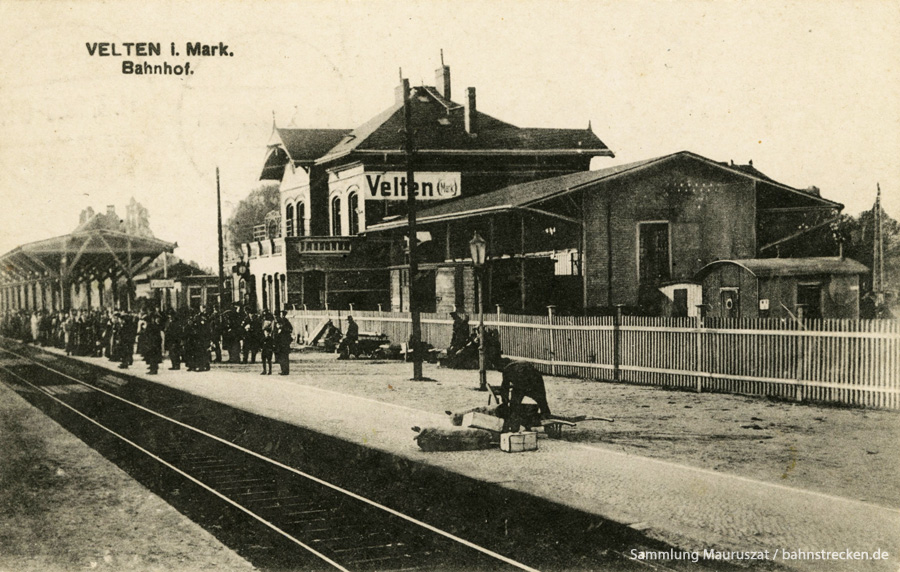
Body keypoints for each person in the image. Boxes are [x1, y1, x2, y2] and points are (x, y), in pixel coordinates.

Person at [499, 360, 552, 433]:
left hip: (527, 380)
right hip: (535, 378)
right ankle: (549, 425)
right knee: (542, 402)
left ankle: (514, 427)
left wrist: (505, 402)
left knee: (514, 405)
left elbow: (505, 388)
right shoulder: (515, 365)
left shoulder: (507, 370)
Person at [274, 310, 293, 375]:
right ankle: (284, 370)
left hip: (284, 342)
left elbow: (289, 329)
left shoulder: (285, 321)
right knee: (283, 357)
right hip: (282, 342)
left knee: (284, 357)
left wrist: (282, 329)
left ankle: (285, 371)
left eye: (282, 314)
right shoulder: (282, 321)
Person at [260, 311, 274, 375]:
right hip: (264, 348)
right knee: (263, 359)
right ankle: (264, 370)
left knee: (269, 360)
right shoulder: (263, 336)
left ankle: (269, 370)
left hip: (268, 348)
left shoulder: (269, 324)